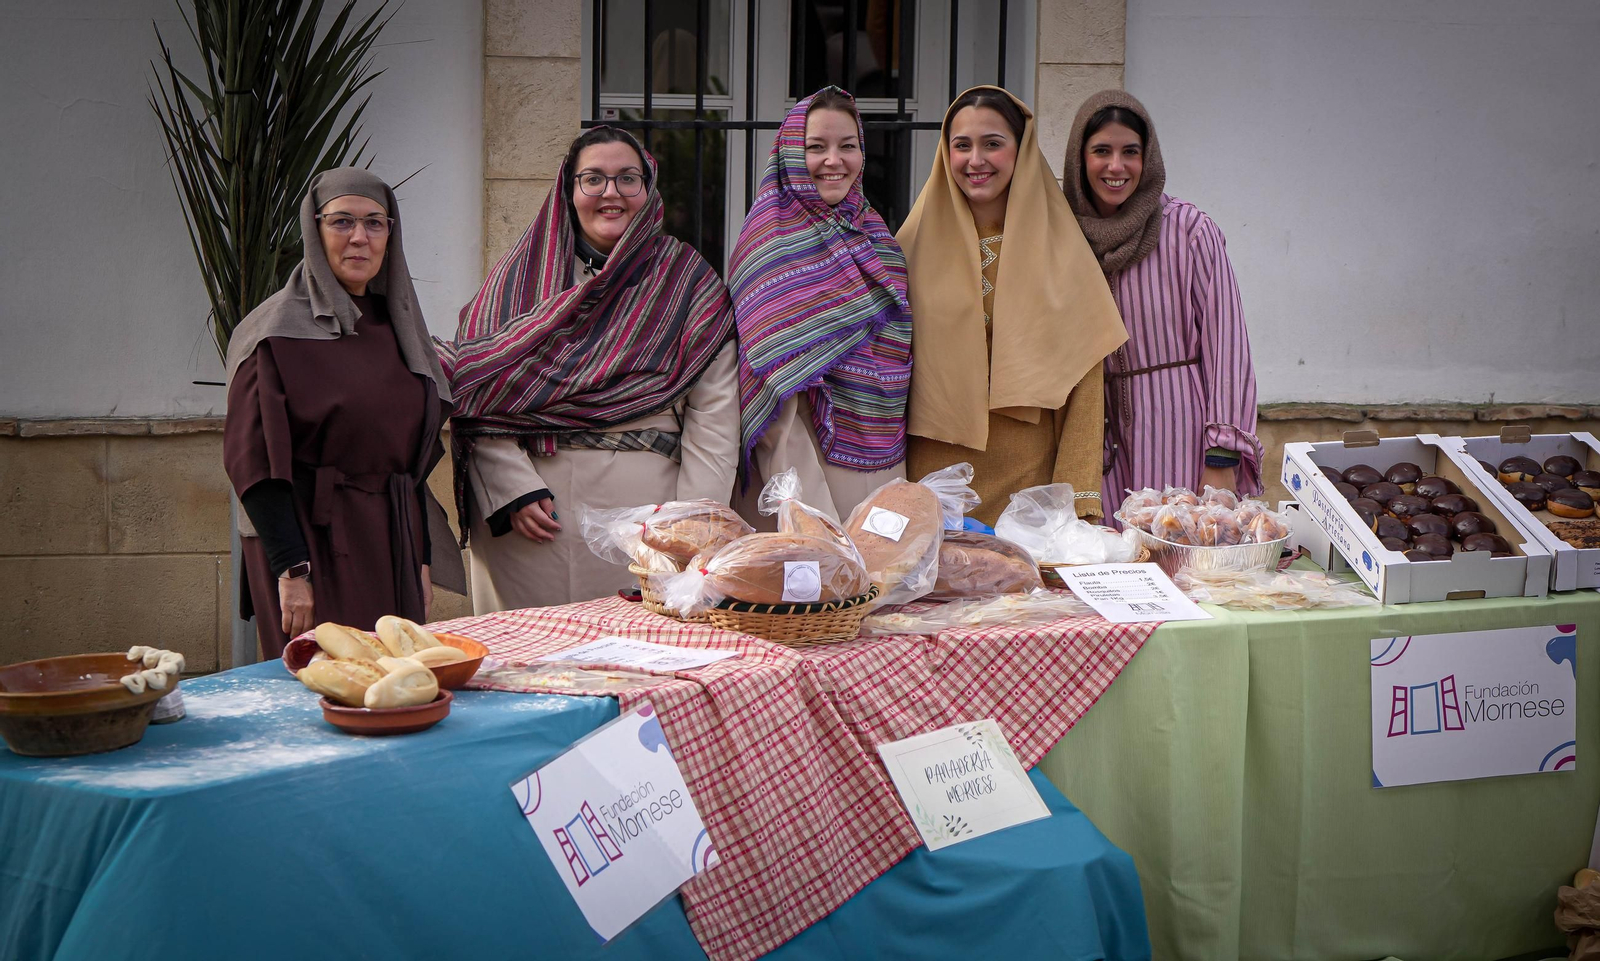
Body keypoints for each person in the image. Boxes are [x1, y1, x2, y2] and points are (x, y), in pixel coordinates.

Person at [441, 127, 738, 612]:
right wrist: (512, 489)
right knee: (527, 664)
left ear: (648, 189)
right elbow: (475, 388)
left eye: (628, 179)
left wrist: (687, 528)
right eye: (593, 179)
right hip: (531, 515)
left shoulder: (688, 282)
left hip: (642, 523)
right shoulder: (516, 281)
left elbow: (714, 419)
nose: (611, 193)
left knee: (632, 665)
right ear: (569, 189)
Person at [224, 168, 462, 659]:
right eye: (342, 222)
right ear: (315, 230)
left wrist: (420, 557)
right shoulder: (272, 334)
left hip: (390, 536)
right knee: (322, 686)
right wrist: (292, 571)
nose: (359, 237)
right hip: (311, 542)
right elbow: (257, 466)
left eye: (375, 223)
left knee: (394, 682)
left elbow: (410, 463)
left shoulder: (401, 331)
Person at [897, 86, 1127, 526]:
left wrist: (1077, 501)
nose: (975, 160)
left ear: (1021, 151)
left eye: (993, 144)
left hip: (1029, 489)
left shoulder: (1061, 250)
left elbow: (1084, 386)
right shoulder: (906, 248)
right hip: (932, 483)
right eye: (961, 145)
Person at [1062, 90, 1261, 507]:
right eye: (1101, 151)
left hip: (1180, 433)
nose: (1116, 167)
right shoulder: (1063, 237)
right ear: (1080, 159)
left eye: (1130, 152)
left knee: (1181, 556)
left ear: (1147, 158)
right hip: (1097, 442)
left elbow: (1228, 346)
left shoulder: (1188, 231)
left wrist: (1221, 454)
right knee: (1113, 562)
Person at [729, 86, 911, 524]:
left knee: (889, 586)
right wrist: (816, 524)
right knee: (827, 586)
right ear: (790, 154)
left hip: (886, 462)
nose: (834, 161)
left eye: (848, 146)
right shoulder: (769, 244)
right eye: (816, 147)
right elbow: (775, 393)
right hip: (805, 477)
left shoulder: (877, 237)